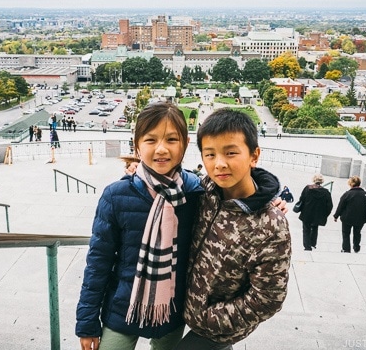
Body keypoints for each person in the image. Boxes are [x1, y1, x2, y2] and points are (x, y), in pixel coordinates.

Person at [76, 102, 204, 350]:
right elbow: (98, 263)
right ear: (136, 145)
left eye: (171, 139)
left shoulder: (196, 193)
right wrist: (87, 322)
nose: (161, 149)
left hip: (173, 311)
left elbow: (237, 193)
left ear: (185, 144)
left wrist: (270, 199)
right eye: (150, 140)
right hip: (122, 307)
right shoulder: (116, 195)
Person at [175, 108, 292, 350]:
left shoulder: (271, 226)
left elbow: (269, 297)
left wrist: (211, 318)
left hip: (215, 331)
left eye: (231, 153)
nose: (219, 164)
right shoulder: (206, 190)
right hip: (185, 307)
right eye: (210, 154)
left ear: (254, 155)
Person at [333, 176, 366, 253]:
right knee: (357, 232)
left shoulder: (347, 194)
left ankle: (346, 249)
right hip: (360, 219)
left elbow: (340, 206)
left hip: (347, 218)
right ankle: (356, 247)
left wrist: (336, 216)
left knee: (346, 233)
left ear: (351, 184)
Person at [296, 174, 333, 251]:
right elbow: (330, 205)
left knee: (306, 229)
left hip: (307, 213)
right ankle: (313, 244)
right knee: (315, 229)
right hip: (318, 214)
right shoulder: (326, 192)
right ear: (322, 181)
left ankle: (307, 246)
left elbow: (302, 199)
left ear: (314, 180)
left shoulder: (307, 188)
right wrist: (325, 214)